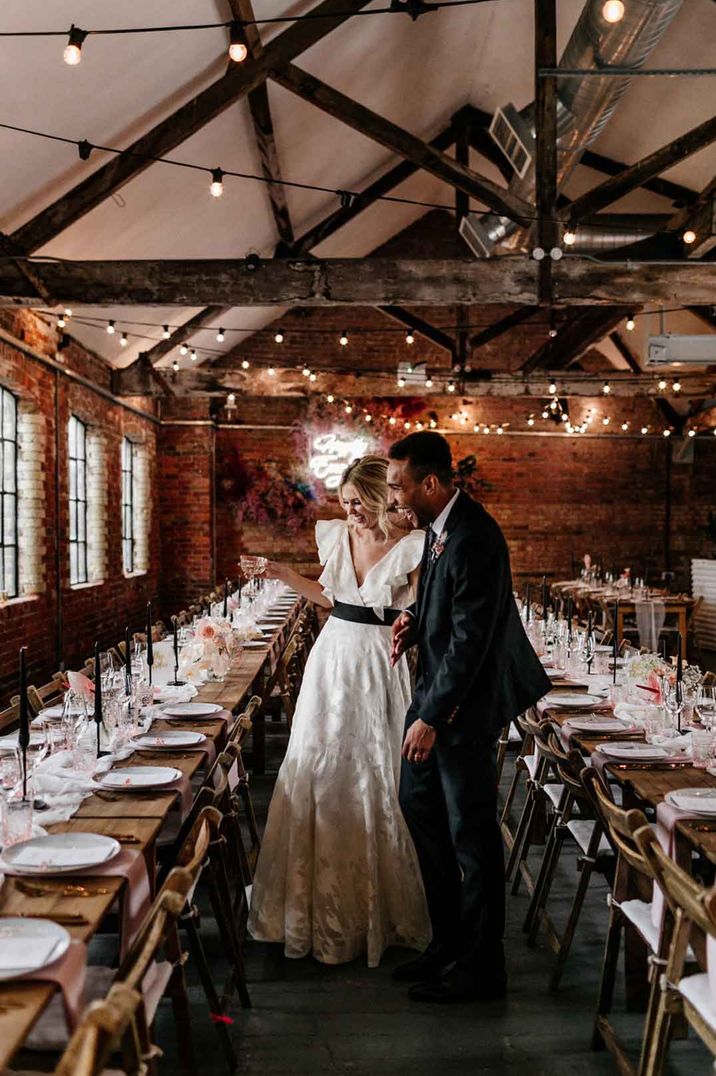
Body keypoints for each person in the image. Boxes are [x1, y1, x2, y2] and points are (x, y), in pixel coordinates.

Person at [386, 431, 551, 1003]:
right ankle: (448, 941)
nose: (394, 497)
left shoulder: (475, 534)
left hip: (462, 709)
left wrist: (432, 716)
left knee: (472, 838)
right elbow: (445, 605)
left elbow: (472, 639)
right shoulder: (440, 529)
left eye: (399, 485)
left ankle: (483, 968)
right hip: (436, 695)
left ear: (430, 482)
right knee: (419, 807)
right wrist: (413, 620)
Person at [248, 455, 431, 967]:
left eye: (358, 503)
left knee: (377, 769)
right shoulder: (334, 535)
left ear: (379, 498)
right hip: (332, 661)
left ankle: (382, 910)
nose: (350, 511)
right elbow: (327, 599)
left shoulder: (411, 545)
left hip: (378, 660)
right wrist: (281, 572)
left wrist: (410, 623)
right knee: (321, 766)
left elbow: (422, 607)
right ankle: (312, 907)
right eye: (345, 502)